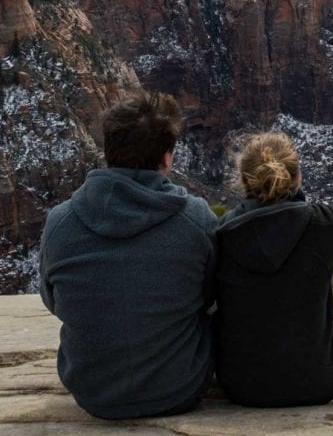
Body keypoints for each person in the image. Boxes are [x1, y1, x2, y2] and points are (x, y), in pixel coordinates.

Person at [38, 91, 218, 419]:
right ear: (167, 158)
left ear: (109, 152)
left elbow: (53, 301)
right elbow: (210, 296)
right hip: (180, 389)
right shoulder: (196, 219)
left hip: (93, 393)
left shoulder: (59, 222)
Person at [215, 132, 333, 407]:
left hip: (240, 385)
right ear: (297, 177)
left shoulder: (223, 233)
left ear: (245, 181)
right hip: (321, 379)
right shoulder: (323, 225)